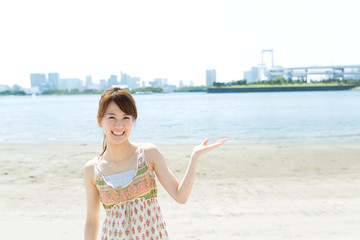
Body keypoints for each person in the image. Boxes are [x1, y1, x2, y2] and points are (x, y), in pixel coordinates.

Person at [84, 87, 227, 240]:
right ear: (100, 121)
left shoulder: (148, 154)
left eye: (126, 117)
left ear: (133, 120)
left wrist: (194, 157)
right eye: (112, 117)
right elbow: (92, 221)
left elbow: (180, 196)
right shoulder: (92, 169)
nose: (119, 125)